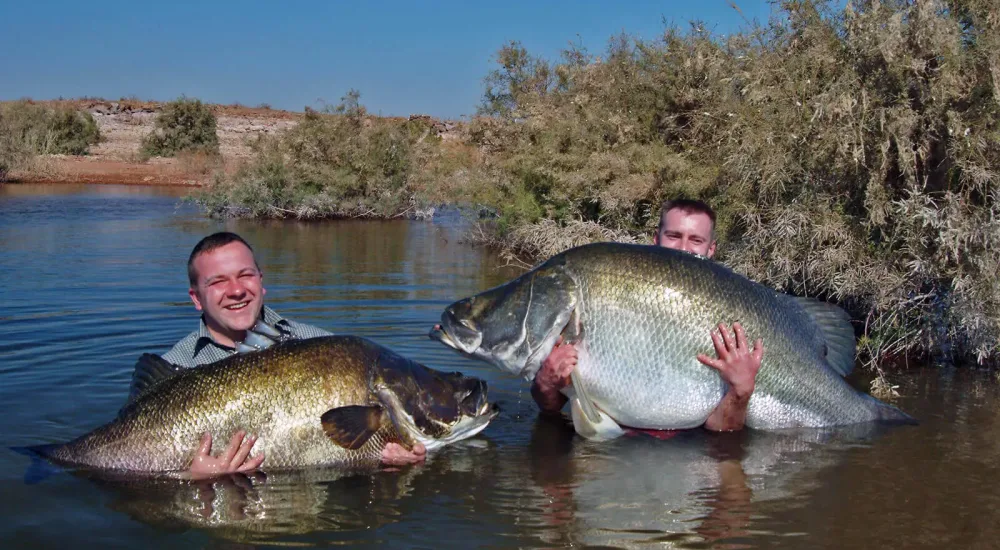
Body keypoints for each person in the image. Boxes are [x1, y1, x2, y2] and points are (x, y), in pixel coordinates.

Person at [151, 231, 426, 479]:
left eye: (245, 275)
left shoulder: (326, 348)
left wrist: (397, 452)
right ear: (196, 297)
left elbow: (358, 443)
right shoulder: (173, 366)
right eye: (218, 282)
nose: (236, 290)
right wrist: (185, 477)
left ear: (261, 281)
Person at [531, 199, 765, 432]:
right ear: (656, 238)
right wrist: (545, 382)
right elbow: (550, 409)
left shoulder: (737, 312)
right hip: (609, 456)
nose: (683, 248)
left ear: (711, 249)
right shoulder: (610, 291)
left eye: (696, 240)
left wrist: (741, 392)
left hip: (684, 457)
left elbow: (722, 437)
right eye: (674, 235)